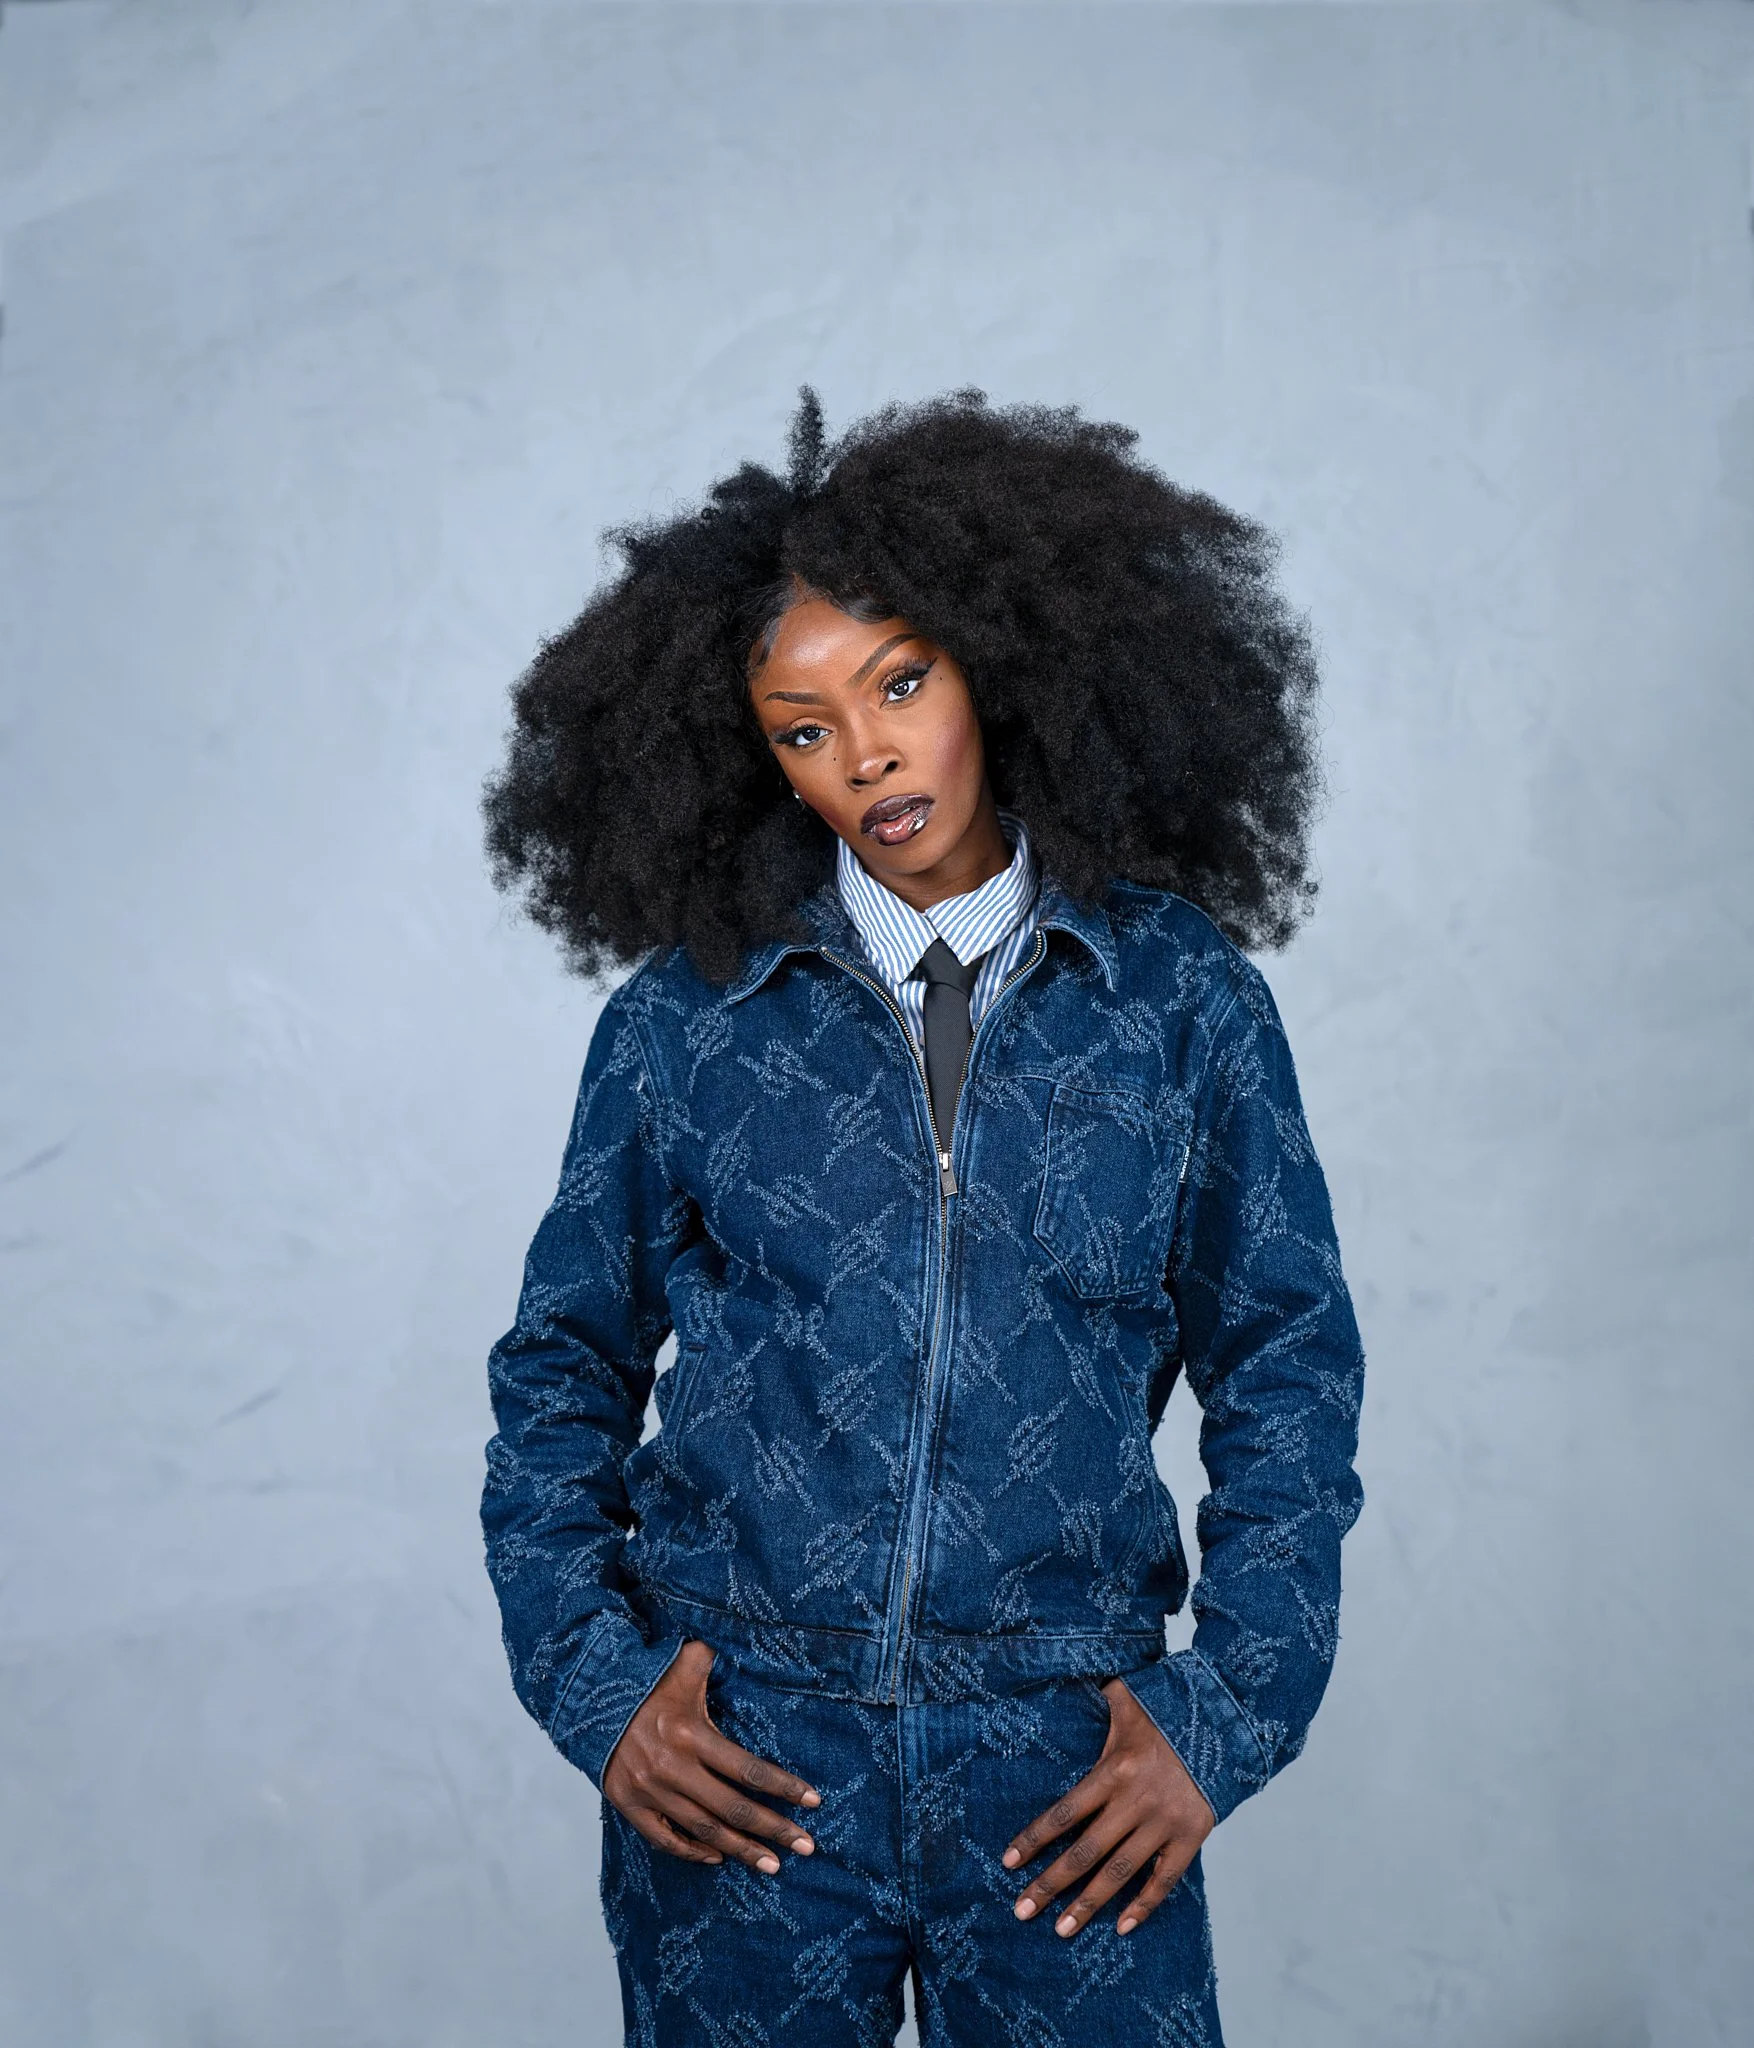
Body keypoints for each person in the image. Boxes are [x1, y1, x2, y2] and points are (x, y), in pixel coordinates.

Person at [479, 389, 1366, 2047]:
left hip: (1059, 1764)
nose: (866, 751)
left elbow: (1289, 1375)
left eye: (898, 684)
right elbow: (558, 1372)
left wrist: (1222, 1713)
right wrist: (600, 1692)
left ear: (995, 670)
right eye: (800, 726)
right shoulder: (687, 1022)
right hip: (749, 1769)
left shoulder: (1179, 1003)